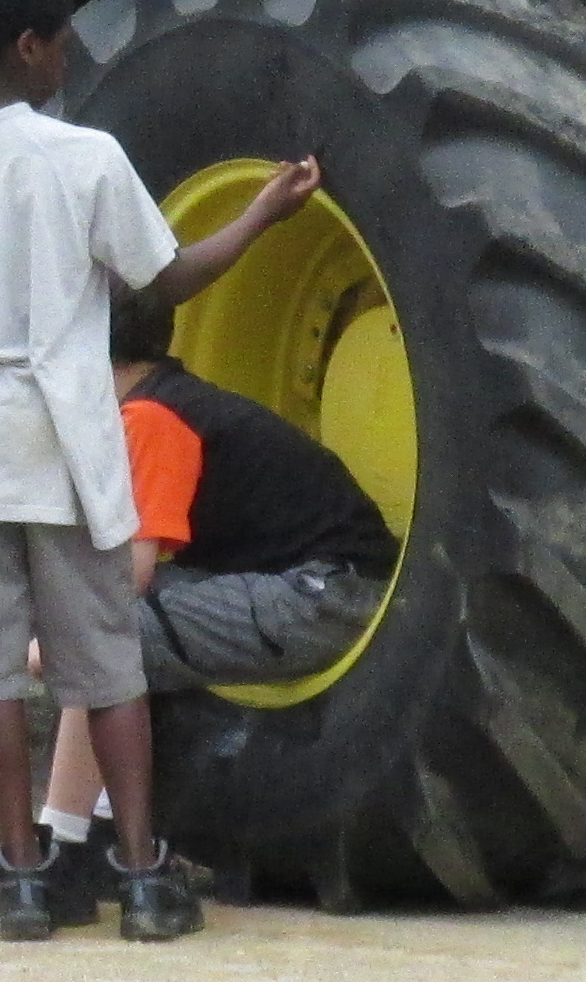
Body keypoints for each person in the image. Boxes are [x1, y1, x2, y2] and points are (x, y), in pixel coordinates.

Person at [0, 0, 315, 944]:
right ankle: (141, 879)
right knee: (104, 671)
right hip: (67, 435)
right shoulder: (83, 157)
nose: (69, 58)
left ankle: (21, 877)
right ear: (27, 45)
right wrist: (262, 215)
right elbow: (167, 282)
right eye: (61, 40)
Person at [29, 284, 397, 894]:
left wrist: (47, 639)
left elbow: (127, 578)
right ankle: (92, 830)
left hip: (324, 597)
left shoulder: (151, 419)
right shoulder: (170, 401)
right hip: (307, 583)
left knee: (98, 643)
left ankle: (67, 852)